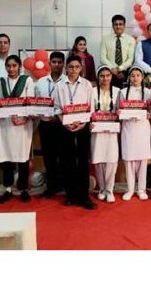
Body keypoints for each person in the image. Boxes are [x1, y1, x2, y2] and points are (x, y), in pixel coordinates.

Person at [55, 55, 96, 209]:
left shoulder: (86, 85)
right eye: (70, 67)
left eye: (76, 67)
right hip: (65, 128)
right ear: (66, 67)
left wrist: (83, 123)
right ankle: (71, 195)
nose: (73, 70)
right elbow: (57, 108)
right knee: (68, 161)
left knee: (83, 161)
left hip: (82, 127)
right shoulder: (59, 85)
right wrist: (65, 123)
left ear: (81, 68)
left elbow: (90, 107)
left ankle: (84, 197)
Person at [0, 55, 35, 204]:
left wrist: (24, 118)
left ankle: (23, 188)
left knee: (22, 157)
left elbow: (30, 102)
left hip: (22, 125)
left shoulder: (27, 80)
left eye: (14, 66)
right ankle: (8, 189)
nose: (11, 69)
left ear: (19, 67)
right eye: (8, 66)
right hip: (5, 125)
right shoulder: (1, 82)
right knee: (7, 157)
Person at [34, 51, 66, 198]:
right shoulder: (40, 82)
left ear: (63, 64)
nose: (57, 65)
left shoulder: (67, 82)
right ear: (49, 63)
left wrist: (58, 115)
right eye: (54, 62)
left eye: (60, 62)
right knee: (49, 156)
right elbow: (35, 103)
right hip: (45, 124)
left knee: (64, 156)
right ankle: (52, 186)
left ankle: (65, 184)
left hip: (63, 124)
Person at [118, 67, 151, 201]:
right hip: (128, 128)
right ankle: (130, 189)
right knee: (129, 159)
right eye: (132, 76)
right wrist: (120, 113)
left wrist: (149, 114)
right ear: (129, 78)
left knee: (142, 160)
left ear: (142, 77)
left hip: (142, 128)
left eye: (138, 75)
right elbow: (119, 109)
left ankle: (141, 189)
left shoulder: (149, 93)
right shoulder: (122, 92)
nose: (135, 78)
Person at [91, 66, 121, 203]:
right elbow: (90, 110)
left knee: (111, 160)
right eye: (102, 76)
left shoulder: (117, 91)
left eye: (107, 75)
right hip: (97, 131)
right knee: (98, 160)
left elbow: (120, 110)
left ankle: (110, 189)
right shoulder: (92, 92)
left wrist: (119, 113)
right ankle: (102, 188)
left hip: (111, 130)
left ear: (111, 76)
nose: (105, 78)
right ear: (98, 77)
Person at [99, 15, 136, 88]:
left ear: (124, 25)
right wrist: (113, 69)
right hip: (109, 73)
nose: (118, 27)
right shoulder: (105, 39)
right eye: (116, 24)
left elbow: (131, 59)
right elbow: (102, 58)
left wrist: (120, 68)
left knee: (125, 97)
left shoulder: (131, 40)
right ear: (112, 26)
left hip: (125, 73)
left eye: (120, 24)